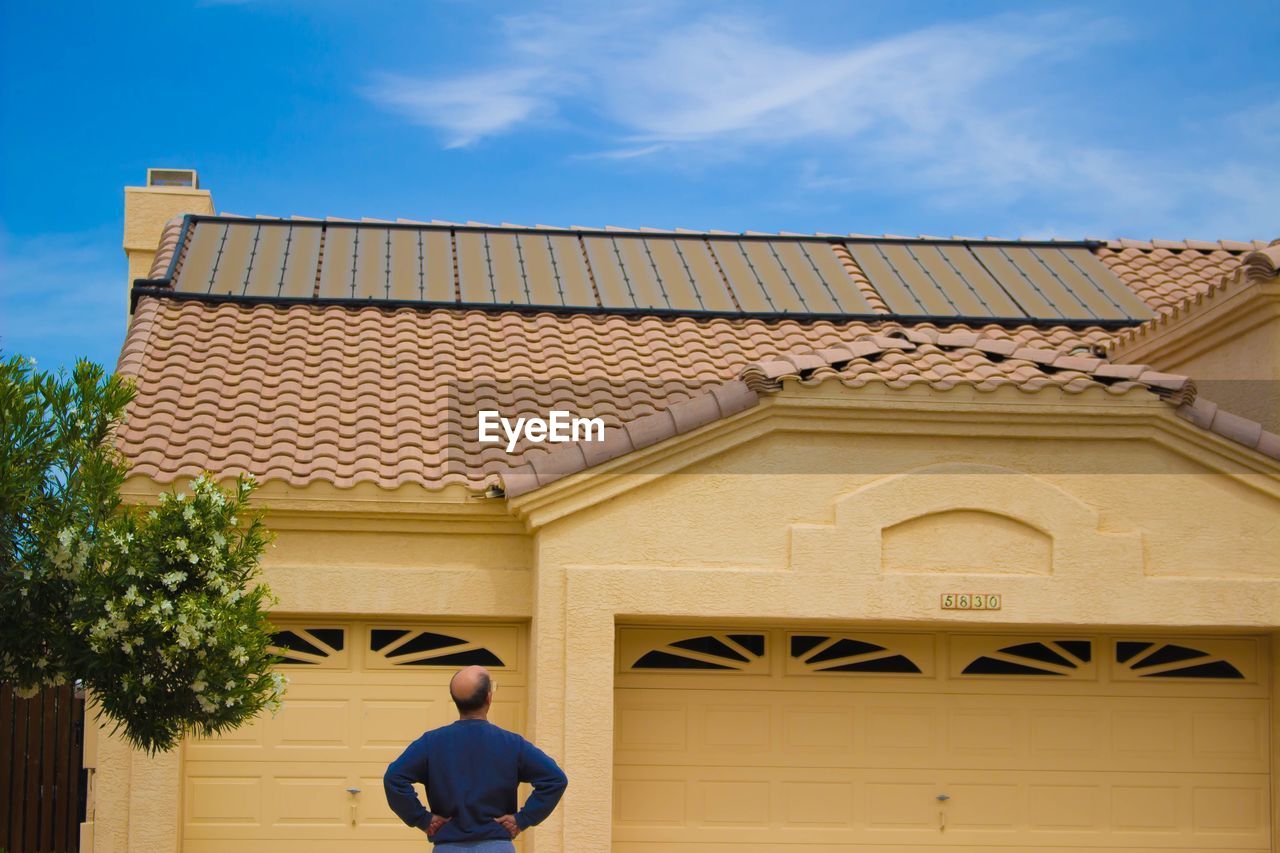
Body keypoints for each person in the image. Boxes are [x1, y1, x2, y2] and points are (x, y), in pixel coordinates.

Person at [384, 665, 568, 850]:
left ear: (455, 700)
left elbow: (394, 778)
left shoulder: (430, 743)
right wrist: (522, 819)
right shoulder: (512, 744)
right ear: (489, 697)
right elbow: (555, 779)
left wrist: (423, 819)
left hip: (448, 847)